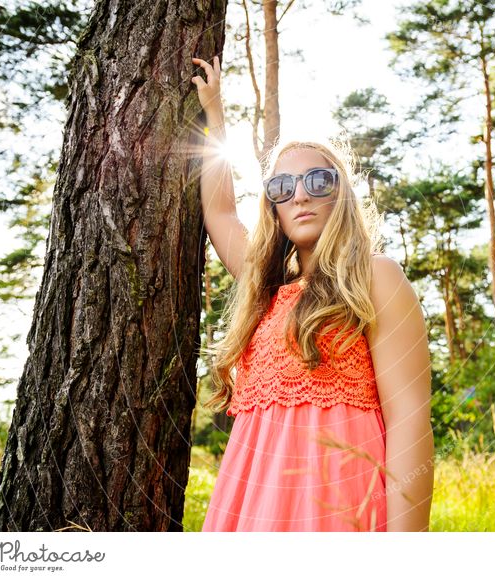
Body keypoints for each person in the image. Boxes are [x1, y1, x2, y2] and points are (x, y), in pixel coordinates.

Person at [191, 55, 434, 532]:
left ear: (339, 192)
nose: (299, 195)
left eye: (317, 180)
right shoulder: (264, 285)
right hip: (251, 503)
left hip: (337, 504)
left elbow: (409, 417)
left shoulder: (375, 276)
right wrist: (215, 115)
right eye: (282, 186)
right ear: (273, 204)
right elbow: (219, 214)